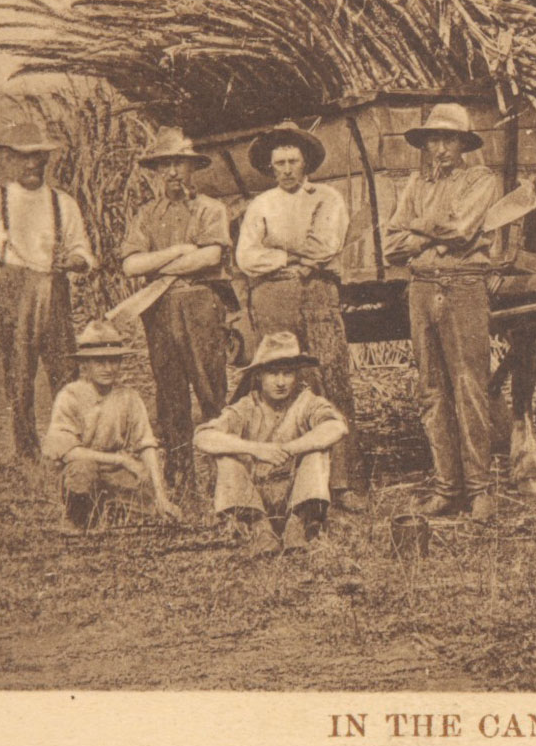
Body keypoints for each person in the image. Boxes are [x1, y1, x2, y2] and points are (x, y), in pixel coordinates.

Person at [233, 121, 366, 511]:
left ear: (306, 163)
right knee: (278, 383)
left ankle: (342, 483)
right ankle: (285, 481)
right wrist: (292, 258)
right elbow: (247, 258)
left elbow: (325, 246)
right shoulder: (260, 205)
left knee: (329, 381)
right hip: (272, 299)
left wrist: (278, 254)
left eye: (293, 161)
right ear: (271, 168)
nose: (287, 169)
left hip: (318, 296)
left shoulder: (327, 198)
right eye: (280, 164)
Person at [381, 103, 506, 519]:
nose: (440, 148)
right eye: (433, 139)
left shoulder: (482, 180)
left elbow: (463, 229)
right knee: (431, 388)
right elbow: (392, 244)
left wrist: (419, 228)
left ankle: (479, 488)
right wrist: (428, 234)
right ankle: (446, 486)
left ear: (463, 143)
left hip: (463, 285)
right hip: (421, 287)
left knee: (469, 385)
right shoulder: (416, 184)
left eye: (448, 139)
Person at [118, 127, 233, 497]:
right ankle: (181, 480)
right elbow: (131, 265)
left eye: (179, 164)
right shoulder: (147, 215)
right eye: (164, 165)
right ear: (155, 171)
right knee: (169, 395)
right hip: (159, 309)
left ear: (191, 168)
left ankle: (225, 477)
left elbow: (211, 256)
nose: (172, 173)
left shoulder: (212, 209)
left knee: (211, 391)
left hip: (201, 304)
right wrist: (178, 252)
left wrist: (163, 263)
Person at [0, 123, 97, 460]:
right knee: (18, 373)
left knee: (65, 371)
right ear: (11, 160)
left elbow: (83, 253)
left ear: (46, 159)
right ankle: (25, 451)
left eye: (37, 157)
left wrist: (71, 262)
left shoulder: (63, 203)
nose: (31, 165)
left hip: (54, 290)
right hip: (14, 291)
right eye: (23, 157)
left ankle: (66, 445)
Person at [193, 332, 349, 555]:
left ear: (296, 375)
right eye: (273, 373)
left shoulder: (305, 401)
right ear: (259, 376)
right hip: (255, 497)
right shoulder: (248, 406)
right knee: (227, 457)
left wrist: (291, 448)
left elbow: (337, 427)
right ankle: (260, 529)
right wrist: (257, 449)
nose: (281, 382)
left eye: (287, 373)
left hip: (296, 494)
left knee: (317, 452)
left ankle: (298, 525)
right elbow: (203, 437)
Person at [41, 320, 182, 530]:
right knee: (81, 473)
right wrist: (121, 459)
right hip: (84, 470)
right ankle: (78, 521)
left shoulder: (129, 398)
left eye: (114, 361)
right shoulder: (70, 396)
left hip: (116, 474)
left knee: (150, 507)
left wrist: (161, 496)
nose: (108, 368)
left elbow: (147, 446)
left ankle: (115, 512)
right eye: (100, 361)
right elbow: (70, 453)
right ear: (85, 364)